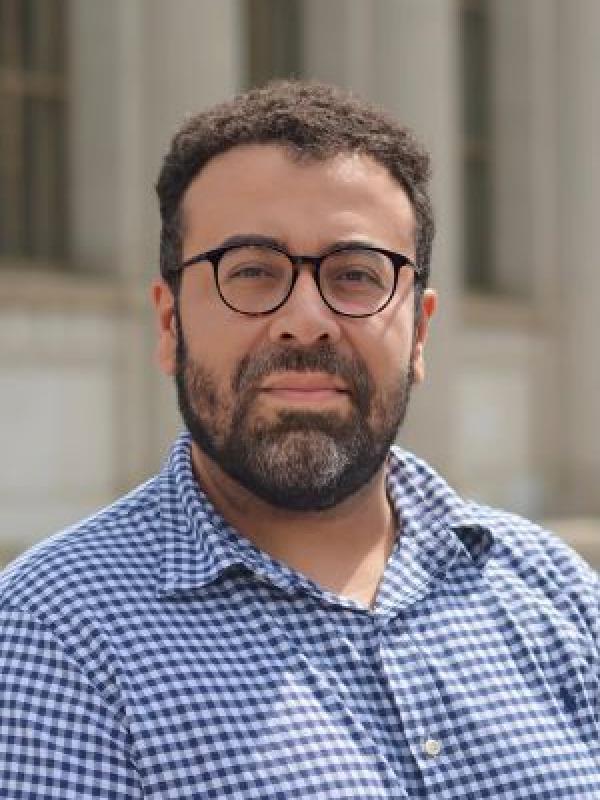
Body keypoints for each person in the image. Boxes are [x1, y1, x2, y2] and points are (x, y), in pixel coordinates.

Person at [0, 81, 597, 799]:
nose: (306, 319)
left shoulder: (556, 592)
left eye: (354, 275)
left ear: (420, 332)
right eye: (252, 272)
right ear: (169, 325)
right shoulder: (51, 639)